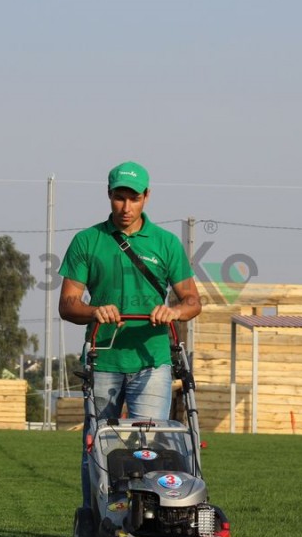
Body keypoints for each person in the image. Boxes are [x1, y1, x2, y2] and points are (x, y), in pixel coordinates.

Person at [58, 161, 202, 506]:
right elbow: (67, 304)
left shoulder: (166, 244)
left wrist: (174, 311)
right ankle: (97, 520)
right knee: (97, 445)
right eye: (119, 198)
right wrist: (95, 310)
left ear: (147, 197)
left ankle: (146, 519)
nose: (126, 207)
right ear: (109, 196)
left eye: (133, 198)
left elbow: (193, 300)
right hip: (104, 360)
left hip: (152, 360)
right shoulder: (88, 241)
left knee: (150, 447)